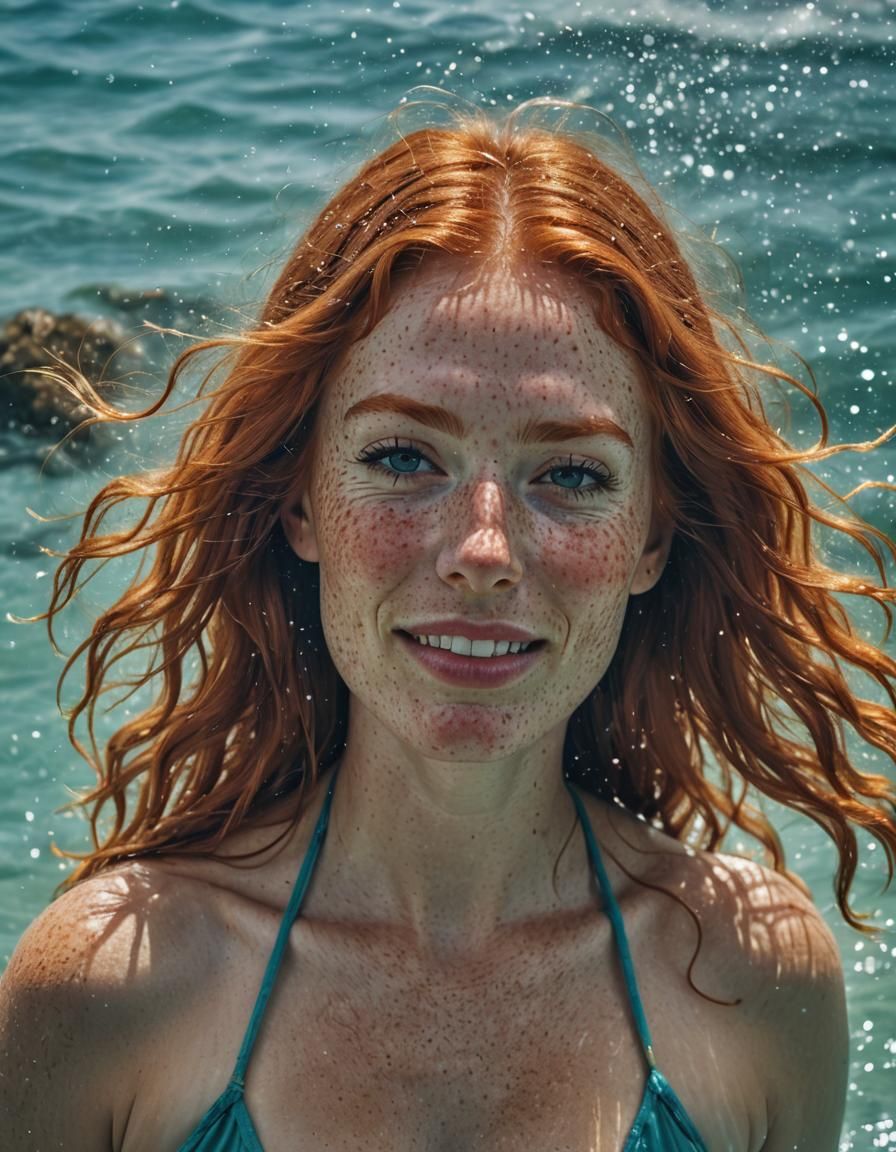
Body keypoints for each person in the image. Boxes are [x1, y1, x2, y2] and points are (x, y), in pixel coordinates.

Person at [2, 96, 895, 1152]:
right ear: (299, 503)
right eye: (400, 457)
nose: (481, 550)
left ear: (652, 537)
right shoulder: (109, 989)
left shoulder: (755, 982)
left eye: (568, 473)